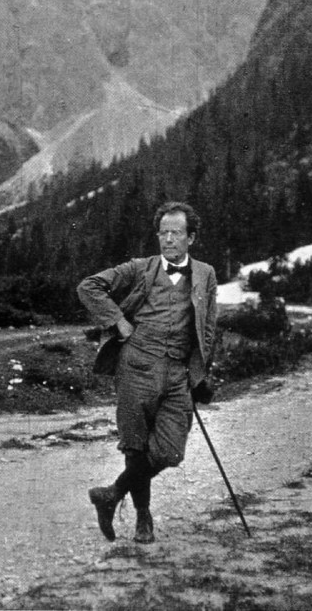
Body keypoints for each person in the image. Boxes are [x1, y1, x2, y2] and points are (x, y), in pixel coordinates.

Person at [77, 201, 217, 544]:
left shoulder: (205, 275)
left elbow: (208, 326)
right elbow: (89, 286)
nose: (168, 239)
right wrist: (118, 321)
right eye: (163, 233)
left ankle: (112, 493)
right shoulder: (141, 268)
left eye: (176, 233)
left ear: (191, 238)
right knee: (135, 446)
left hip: (177, 373)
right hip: (136, 366)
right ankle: (143, 517)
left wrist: (199, 374)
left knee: (171, 451)